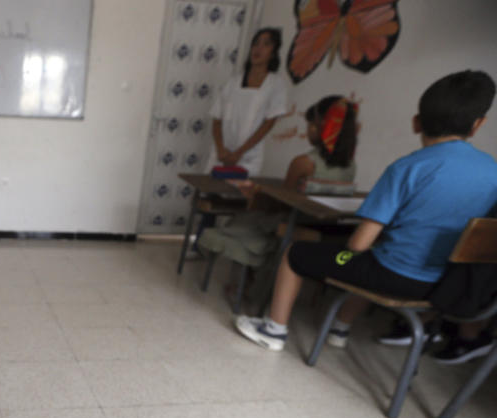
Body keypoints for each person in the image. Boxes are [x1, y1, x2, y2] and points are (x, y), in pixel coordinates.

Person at [234, 70, 497, 351]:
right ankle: (339, 328)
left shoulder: (407, 168)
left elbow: (358, 244)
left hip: (391, 274)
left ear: (416, 123)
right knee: (371, 258)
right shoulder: (493, 172)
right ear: (477, 125)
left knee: (303, 253)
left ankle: (274, 330)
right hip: (448, 283)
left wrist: (349, 248)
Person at [199, 95, 359, 303]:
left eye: (309, 123)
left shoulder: (304, 163)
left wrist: (255, 193)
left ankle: (243, 284)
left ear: (317, 128)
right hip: (321, 225)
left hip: (290, 223)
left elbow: (282, 201)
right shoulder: (351, 166)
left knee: (242, 221)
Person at [191, 27, 290, 254]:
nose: (258, 48)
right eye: (256, 43)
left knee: (244, 201)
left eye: (266, 44)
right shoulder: (233, 82)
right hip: (222, 153)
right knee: (210, 194)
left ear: (274, 52)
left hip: (249, 156)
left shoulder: (275, 85)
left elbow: (268, 123)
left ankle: (231, 246)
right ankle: (200, 244)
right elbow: (216, 118)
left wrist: (240, 151)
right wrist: (222, 149)